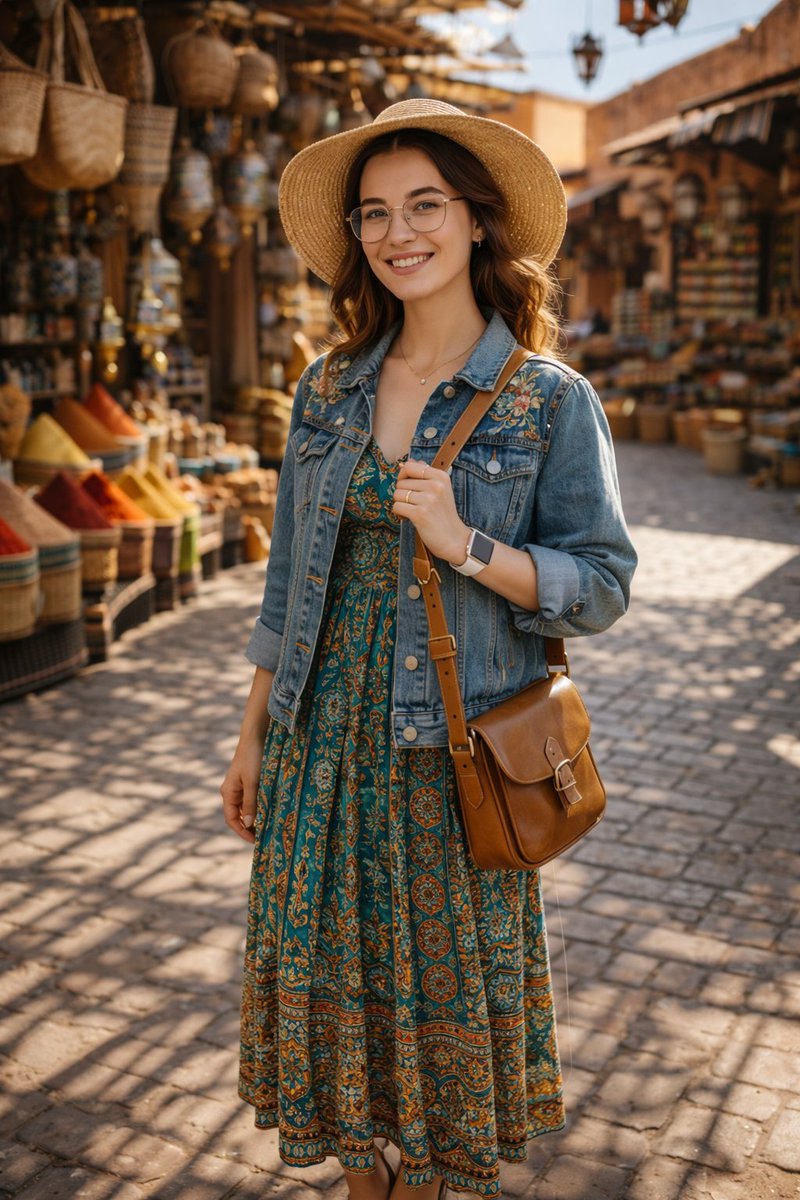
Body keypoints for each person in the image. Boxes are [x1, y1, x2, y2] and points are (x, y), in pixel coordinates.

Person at [221, 99, 637, 1200]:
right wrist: (252, 728)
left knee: (436, 1041)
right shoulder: (326, 385)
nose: (397, 234)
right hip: (319, 750)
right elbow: (287, 573)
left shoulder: (547, 403)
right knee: (339, 1032)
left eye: (424, 206)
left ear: (475, 222)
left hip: (445, 766)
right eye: (373, 216)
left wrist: (467, 543)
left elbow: (600, 586)